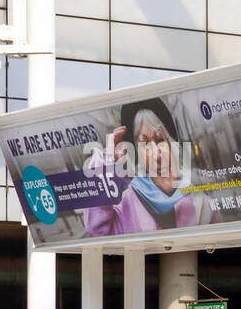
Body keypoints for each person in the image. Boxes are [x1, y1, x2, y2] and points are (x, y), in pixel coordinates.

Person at [83, 98, 216, 235]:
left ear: (170, 143)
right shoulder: (129, 203)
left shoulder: (202, 202)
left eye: (160, 141)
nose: (156, 155)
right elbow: (97, 230)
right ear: (137, 153)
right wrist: (108, 159)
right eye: (145, 143)